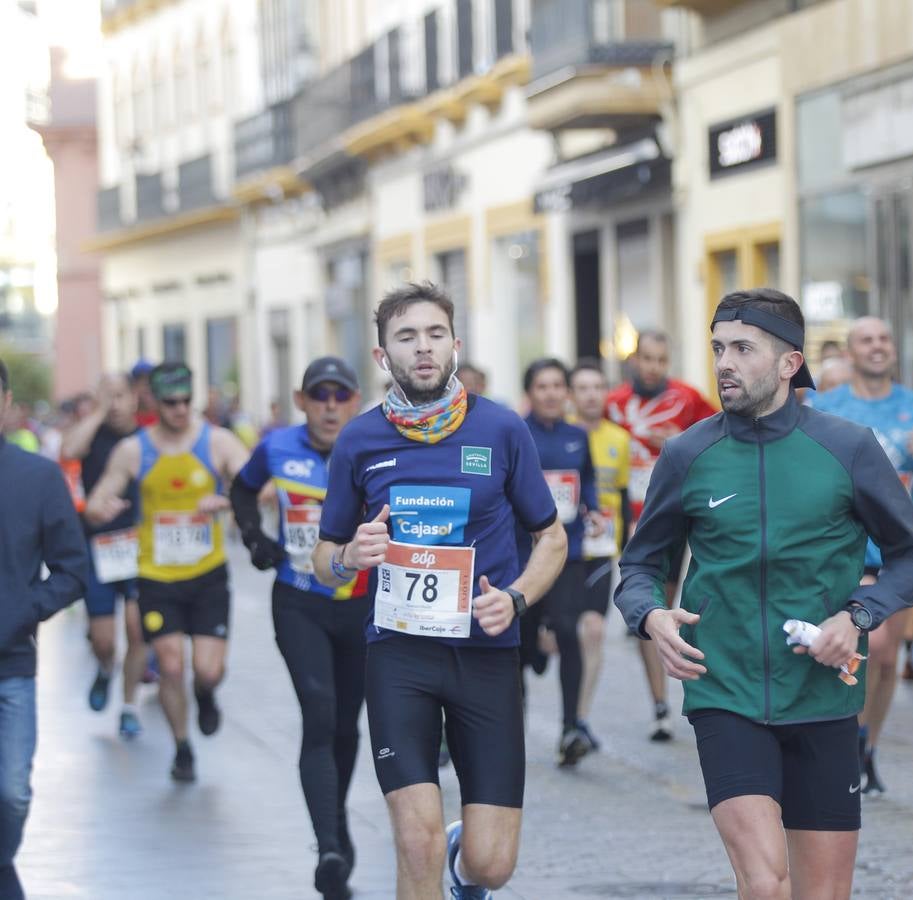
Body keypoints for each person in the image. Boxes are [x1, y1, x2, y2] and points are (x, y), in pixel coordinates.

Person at [615, 289, 913, 900]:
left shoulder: (847, 449)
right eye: (718, 349)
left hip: (824, 694)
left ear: (789, 363)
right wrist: (650, 615)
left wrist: (858, 615)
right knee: (765, 884)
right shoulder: (688, 453)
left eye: (743, 348)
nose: (724, 364)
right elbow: (640, 566)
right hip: (724, 688)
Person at [311, 282, 567, 900]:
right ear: (383, 357)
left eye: (433, 335)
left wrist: (517, 599)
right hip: (400, 654)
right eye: (406, 337)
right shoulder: (359, 440)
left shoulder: (501, 430)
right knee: (414, 837)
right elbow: (322, 559)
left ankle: (464, 865)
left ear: (453, 345)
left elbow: (552, 539)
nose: (422, 349)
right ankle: (437, 857)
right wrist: (348, 557)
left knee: (493, 863)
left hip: (485, 655)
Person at [229, 356, 369, 900]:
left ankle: (334, 819)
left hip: (360, 605)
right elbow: (242, 490)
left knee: (346, 725)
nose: (330, 407)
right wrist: (254, 538)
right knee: (320, 713)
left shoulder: (373, 449)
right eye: (320, 396)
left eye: (340, 396)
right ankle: (329, 844)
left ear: (355, 400)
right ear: (301, 400)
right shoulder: (277, 448)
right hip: (298, 602)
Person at [84, 362, 251, 783]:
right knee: (172, 666)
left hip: (207, 574)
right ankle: (182, 747)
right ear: (153, 402)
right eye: (170, 402)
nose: (179, 410)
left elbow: (258, 485)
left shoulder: (216, 442)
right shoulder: (134, 450)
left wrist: (227, 499)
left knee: (208, 669)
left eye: (186, 401)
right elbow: (100, 496)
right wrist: (102, 506)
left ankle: (206, 693)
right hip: (156, 576)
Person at [809, 315, 913, 794]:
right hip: (839, 550)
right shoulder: (826, 406)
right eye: (866, 339)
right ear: (850, 352)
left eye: (884, 338)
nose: (877, 346)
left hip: (894, 552)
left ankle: (864, 743)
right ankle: (845, 738)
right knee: (869, 649)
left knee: (886, 658)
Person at [0, 357, 89, 899]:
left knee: (11, 793)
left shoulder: (36, 477)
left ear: (7, 403)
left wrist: (21, 613)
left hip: (11, 665)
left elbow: (72, 570)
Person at [605, 330, 717, 741]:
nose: (652, 367)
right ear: (633, 359)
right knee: (647, 603)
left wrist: (673, 443)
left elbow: (719, 439)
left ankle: (673, 688)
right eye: (646, 358)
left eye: (660, 360)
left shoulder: (688, 399)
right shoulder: (612, 403)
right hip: (626, 515)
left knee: (667, 603)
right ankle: (658, 704)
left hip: (673, 515)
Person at [517, 359, 602, 766]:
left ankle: (571, 726)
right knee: (518, 647)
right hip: (523, 558)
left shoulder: (576, 437)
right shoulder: (516, 435)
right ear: (529, 393)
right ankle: (509, 732)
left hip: (568, 553)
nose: (550, 393)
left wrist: (596, 510)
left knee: (570, 631)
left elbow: (587, 482)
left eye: (556, 386)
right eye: (542, 386)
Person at [59, 374, 149, 738]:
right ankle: (105, 669)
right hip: (99, 547)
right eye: (108, 396)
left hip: (141, 548)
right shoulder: (92, 434)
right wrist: (97, 411)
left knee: (137, 629)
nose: (115, 403)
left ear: (134, 398)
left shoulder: (146, 437)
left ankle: (129, 706)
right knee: (104, 639)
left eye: (121, 395)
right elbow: (68, 451)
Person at [568, 359, 632, 753]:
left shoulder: (619, 440)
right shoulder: (563, 437)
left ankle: (579, 718)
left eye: (598, 387)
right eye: (583, 388)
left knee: (593, 631)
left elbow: (623, 498)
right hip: (562, 550)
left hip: (602, 550)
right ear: (572, 395)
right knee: (560, 636)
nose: (592, 394)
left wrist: (629, 552)